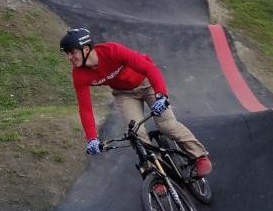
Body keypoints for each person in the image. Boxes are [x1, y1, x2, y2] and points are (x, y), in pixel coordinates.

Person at [59, 28, 212, 178]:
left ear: (86, 49)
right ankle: (156, 175)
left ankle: (199, 156)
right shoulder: (79, 74)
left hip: (147, 84)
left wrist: (161, 95)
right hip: (124, 94)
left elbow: (149, 68)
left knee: (167, 126)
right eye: (67, 54)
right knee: (136, 135)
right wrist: (91, 138)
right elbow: (85, 109)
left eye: (72, 52)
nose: (69, 57)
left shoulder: (112, 50)